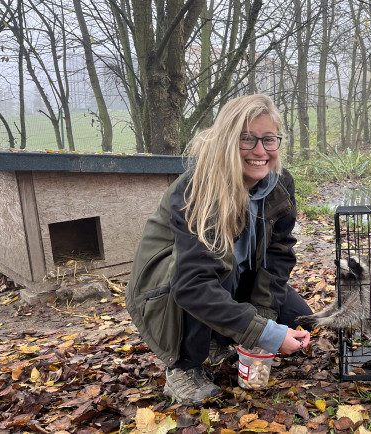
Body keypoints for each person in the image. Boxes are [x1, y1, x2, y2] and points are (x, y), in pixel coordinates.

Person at [126, 94, 311, 403]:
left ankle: (218, 341)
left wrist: (264, 324)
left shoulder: (280, 184)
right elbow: (193, 286)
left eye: (269, 140)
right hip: (165, 291)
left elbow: (279, 254)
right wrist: (268, 334)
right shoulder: (197, 190)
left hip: (232, 278)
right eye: (247, 140)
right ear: (227, 141)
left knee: (296, 317)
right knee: (215, 278)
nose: (260, 151)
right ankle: (183, 367)